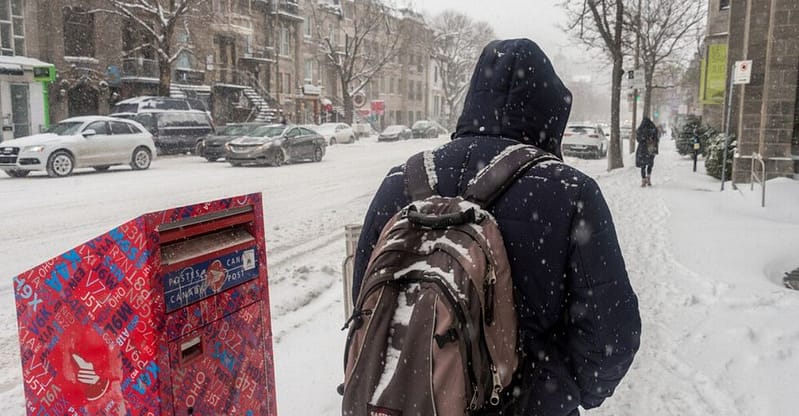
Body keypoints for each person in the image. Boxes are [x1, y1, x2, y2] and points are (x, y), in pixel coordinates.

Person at [352, 38, 641, 416]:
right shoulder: (570, 192)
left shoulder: (401, 181)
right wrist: (562, 391)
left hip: (410, 402)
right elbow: (612, 335)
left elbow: (364, 300)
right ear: (550, 112)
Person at [636, 117, 659, 187]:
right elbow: (657, 139)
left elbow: (638, 139)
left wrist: (644, 139)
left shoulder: (641, 129)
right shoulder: (653, 128)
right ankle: (648, 177)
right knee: (650, 163)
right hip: (651, 149)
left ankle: (643, 180)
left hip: (642, 149)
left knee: (643, 165)